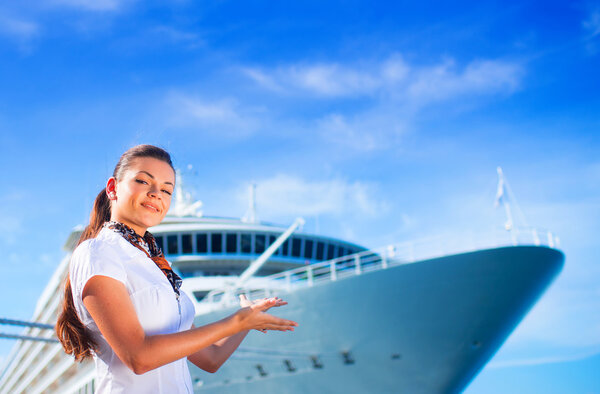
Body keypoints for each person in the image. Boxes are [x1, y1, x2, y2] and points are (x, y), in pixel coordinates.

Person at [56, 144, 297, 393]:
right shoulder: (98, 251)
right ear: (112, 188)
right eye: (142, 181)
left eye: (166, 189)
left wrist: (246, 321)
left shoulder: (159, 267)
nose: (155, 193)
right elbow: (138, 357)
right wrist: (235, 322)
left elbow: (210, 359)